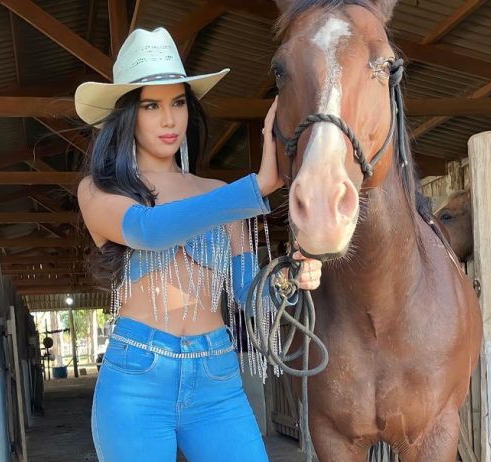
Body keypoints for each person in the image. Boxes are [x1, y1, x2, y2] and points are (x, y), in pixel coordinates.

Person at [76, 27, 322, 462]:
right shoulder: (101, 190)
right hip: (137, 377)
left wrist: (290, 277)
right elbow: (149, 230)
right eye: (151, 106)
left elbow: (250, 297)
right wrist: (257, 187)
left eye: (178, 103)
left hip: (216, 374)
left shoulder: (219, 193)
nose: (169, 120)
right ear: (127, 115)